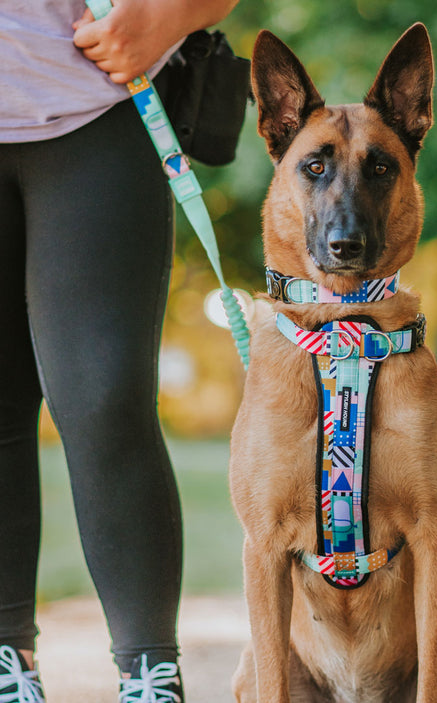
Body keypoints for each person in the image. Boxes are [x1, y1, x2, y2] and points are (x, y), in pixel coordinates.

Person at [0, 1, 238, 700]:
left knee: (107, 402)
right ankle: (7, 667)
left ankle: (148, 673)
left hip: (96, 111)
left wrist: (171, 16)